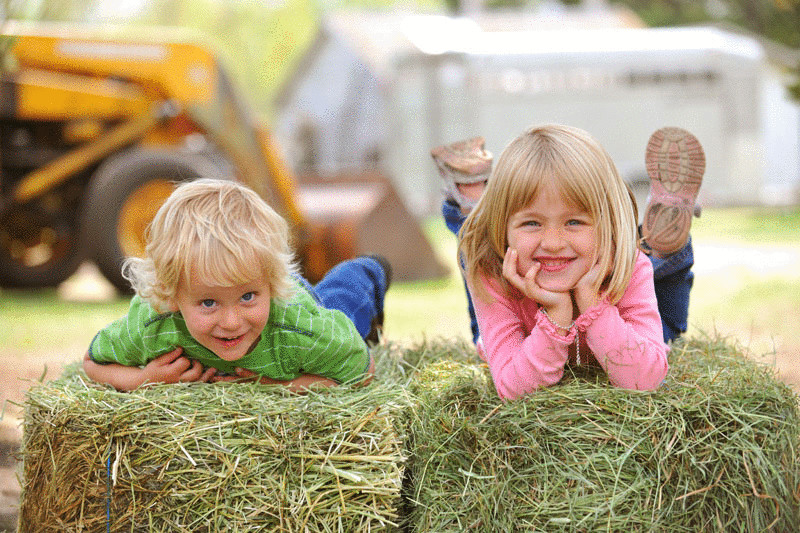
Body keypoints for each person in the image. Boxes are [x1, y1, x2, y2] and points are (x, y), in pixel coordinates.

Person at [433, 124, 704, 400]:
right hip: (509, 277)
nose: (552, 243)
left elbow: (645, 379)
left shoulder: (629, 265)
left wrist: (593, 304)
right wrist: (557, 315)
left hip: (618, 287)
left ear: (607, 224)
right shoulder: (492, 275)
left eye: (574, 221)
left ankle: (668, 243)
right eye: (531, 222)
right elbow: (513, 388)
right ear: (505, 229)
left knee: (667, 327)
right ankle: (472, 201)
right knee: (478, 248)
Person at [83, 178, 391, 393]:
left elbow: (364, 374)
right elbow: (92, 362)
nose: (231, 323)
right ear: (172, 295)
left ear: (269, 287)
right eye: (208, 303)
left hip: (295, 305)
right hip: (263, 290)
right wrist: (144, 379)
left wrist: (281, 386)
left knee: (340, 302)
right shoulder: (154, 325)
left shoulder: (301, 330)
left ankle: (368, 270)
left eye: (246, 297)